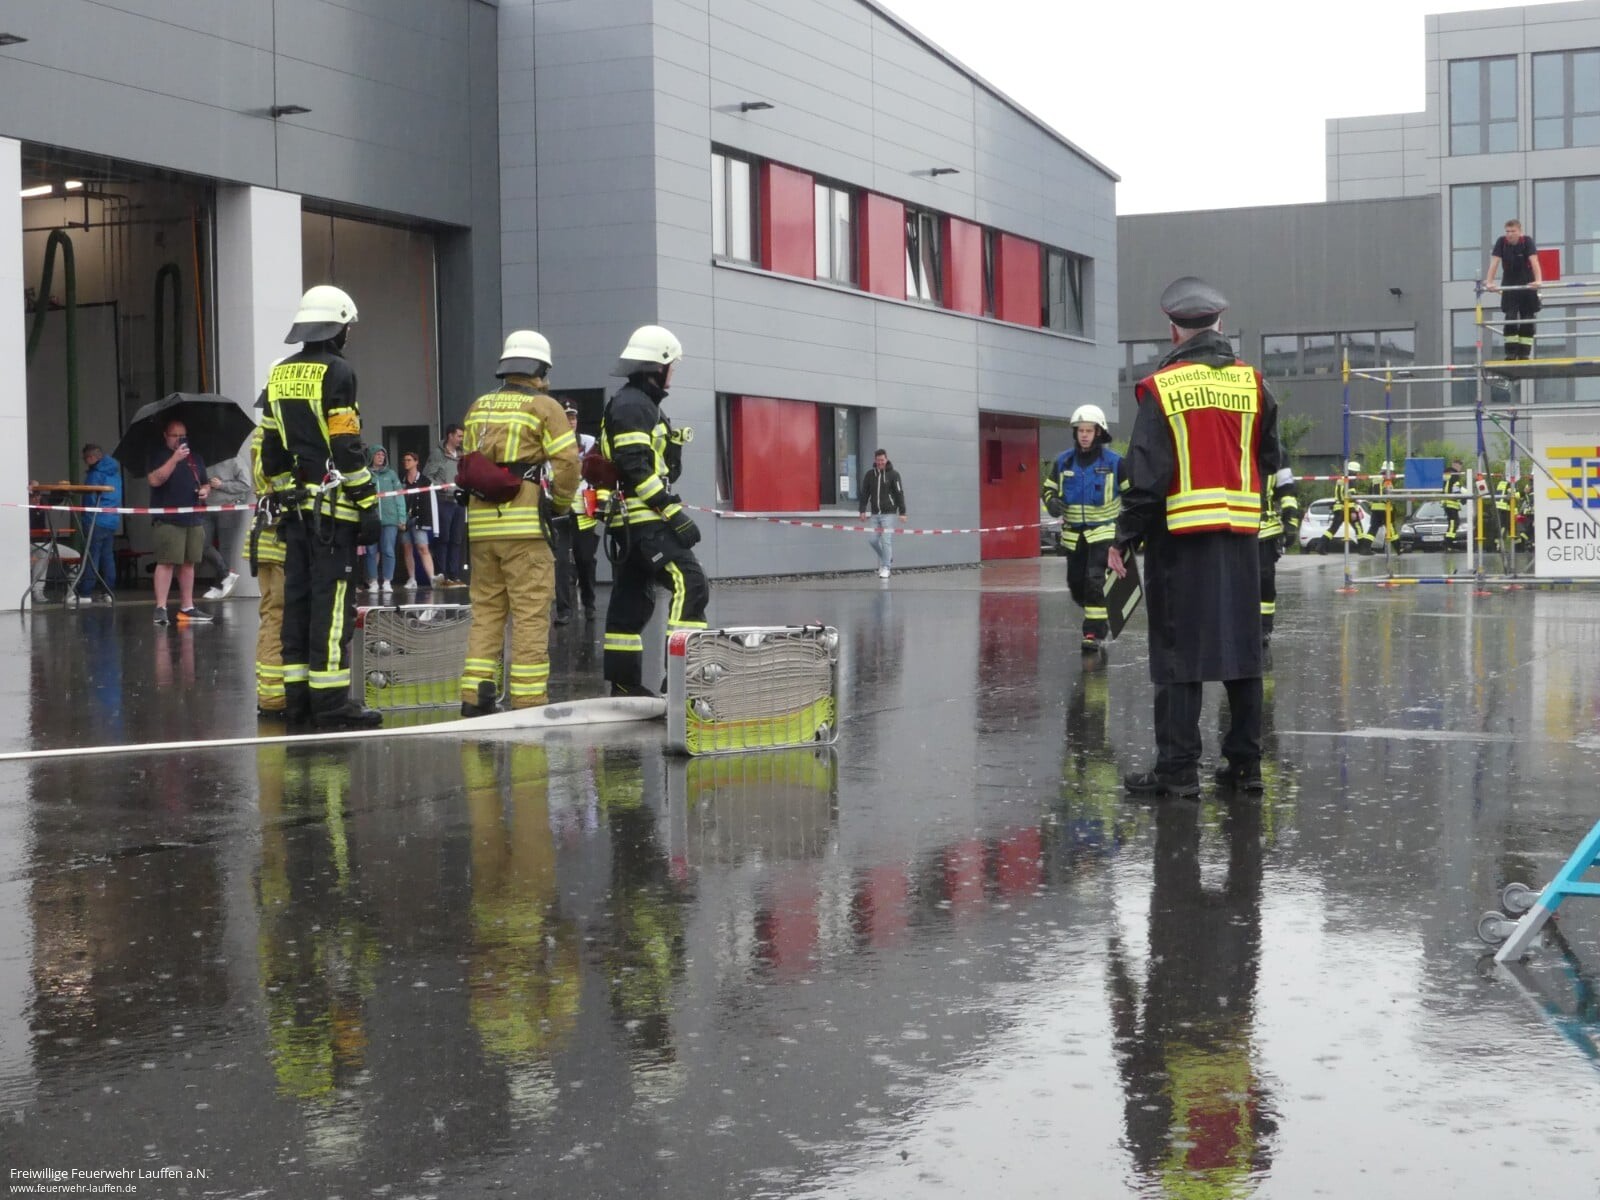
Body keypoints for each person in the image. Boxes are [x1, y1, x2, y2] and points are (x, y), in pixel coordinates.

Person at [1108, 276, 1284, 797]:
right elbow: (1271, 458)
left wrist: (1123, 537)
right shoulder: (1254, 384)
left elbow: (1146, 476)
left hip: (1180, 541)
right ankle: (1245, 768)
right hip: (1241, 540)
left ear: (1173, 330)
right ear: (1220, 324)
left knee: (1179, 655)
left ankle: (1178, 772)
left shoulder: (1161, 388)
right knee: (1243, 653)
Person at [259, 284, 382, 730]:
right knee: (331, 609)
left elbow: (271, 451)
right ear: (337, 327)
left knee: (298, 605)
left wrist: (289, 492)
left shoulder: (279, 374)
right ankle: (330, 704)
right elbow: (346, 445)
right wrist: (367, 502)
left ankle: (298, 700)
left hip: (295, 513)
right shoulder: (339, 372)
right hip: (333, 516)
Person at [457, 330, 579, 715]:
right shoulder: (545, 407)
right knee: (529, 613)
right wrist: (560, 504)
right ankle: (528, 700)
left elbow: (467, 463)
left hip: (481, 528)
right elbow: (568, 464)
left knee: (486, 612)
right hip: (525, 528)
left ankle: (476, 696)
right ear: (540, 368)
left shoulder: (479, 406)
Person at [599, 324, 709, 697]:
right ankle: (681, 681)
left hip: (631, 519)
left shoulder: (640, 404)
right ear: (657, 366)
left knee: (632, 599)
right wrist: (672, 513)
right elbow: (634, 466)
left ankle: (624, 685)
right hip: (644, 518)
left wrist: (673, 448)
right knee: (690, 582)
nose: (673, 372)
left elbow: (657, 467)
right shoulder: (634, 405)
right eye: (671, 365)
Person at [1042, 405, 1127, 650]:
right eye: (1080, 430)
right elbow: (1048, 489)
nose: (1084, 435)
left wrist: (1126, 533)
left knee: (1094, 580)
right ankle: (1098, 609)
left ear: (1099, 432)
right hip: (1073, 537)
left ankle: (1093, 633)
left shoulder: (1115, 463)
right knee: (1076, 584)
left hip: (1103, 534)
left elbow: (1132, 496)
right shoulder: (1063, 461)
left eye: (1089, 430)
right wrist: (1052, 503)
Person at [146, 419, 214, 626]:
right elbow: (155, 480)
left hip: (193, 517)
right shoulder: (158, 456)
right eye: (174, 435)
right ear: (165, 436)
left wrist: (205, 491)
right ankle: (161, 607)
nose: (179, 439)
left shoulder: (195, 458)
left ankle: (187, 607)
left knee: (189, 563)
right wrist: (174, 459)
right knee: (166, 562)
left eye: (182, 435)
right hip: (168, 519)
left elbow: (205, 482)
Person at [248, 413, 287, 716]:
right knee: (280, 615)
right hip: (281, 536)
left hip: (262, 534)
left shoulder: (259, 434)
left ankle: (267, 691)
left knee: (270, 614)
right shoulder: (282, 433)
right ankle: (275, 696)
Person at [552, 404, 599, 624]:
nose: (571, 422)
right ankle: (564, 611)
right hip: (558, 509)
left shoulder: (588, 442)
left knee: (585, 559)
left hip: (583, 509)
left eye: (573, 418)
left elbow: (599, 471)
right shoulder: (550, 444)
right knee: (560, 562)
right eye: (566, 418)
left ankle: (589, 604)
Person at [1484, 217, 1543, 360]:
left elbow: (1534, 261)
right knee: (1510, 317)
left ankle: (1524, 353)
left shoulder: (1527, 241)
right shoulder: (1501, 242)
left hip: (1527, 282)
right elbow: (1495, 262)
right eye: (1507, 231)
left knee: (1527, 317)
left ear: (1520, 232)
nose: (1509, 234)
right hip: (1509, 282)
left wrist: (1538, 280)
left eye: (1513, 231)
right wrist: (1489, 282)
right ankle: (1511, 352)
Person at [69, 443, 121, 605]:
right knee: (107, 557)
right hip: (111, 519)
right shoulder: (114, 472)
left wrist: (86, 517)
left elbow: (90, 498)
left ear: (92, 457)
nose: (85, 462)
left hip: (95, 520)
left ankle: (85, 592)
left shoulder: (95, 474)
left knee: (92, 556)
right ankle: (108, 592)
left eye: (85, 458)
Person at [200, 451, 251, 599]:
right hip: (208, 507)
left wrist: (222, 485)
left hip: (229, 506)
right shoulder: (202, 460)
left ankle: (220, 586)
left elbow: (245, 484)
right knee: (202, 544)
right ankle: (226, 575)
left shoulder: (234, 458)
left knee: (225, 547)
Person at [1257, 467, 1297, 647]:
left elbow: (1288, 492)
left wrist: (1291, 523)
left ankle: (1264, 627)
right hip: (1235, 528)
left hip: (1265, 529)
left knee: (1265, 580)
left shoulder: (1276, 456)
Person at [424, 423, 467, 585]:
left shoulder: (462, 454)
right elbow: (428, 476)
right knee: (444, 539)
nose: (461, 439)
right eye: (459, 436)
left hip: (459, 501)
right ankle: (442, 575)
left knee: (456, 540)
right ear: (450, 435)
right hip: (444, 500)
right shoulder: (438, 454)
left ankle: (454, 576)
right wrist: (440, 485)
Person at [858, 448, 906, 579]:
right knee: (872, 540)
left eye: (882, 460)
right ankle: (887, 558)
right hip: (875, 514)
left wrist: (902, 512)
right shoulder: (870, 475)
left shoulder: (894, 475)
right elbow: (864, 493)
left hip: (888, 513)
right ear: (875, 460)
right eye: (878, 460)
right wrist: (862, 510)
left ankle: (886, 567)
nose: (880, 462)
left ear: (886, 459)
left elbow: (899, 493)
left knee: (886, 540)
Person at [364, 445, 403, 595]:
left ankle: (387, 581)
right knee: (370, 551)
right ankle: (373, 581)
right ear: (371, 456)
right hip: (371, 519)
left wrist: (402, 517)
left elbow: (399, 496)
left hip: (390, 519)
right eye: (378, 454)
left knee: (388, 550)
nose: (381, 457)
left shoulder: (391, 474)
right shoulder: (366, 474)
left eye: (383, 455)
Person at [397, 450, 437, 589]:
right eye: (404, 460)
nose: (406, 463)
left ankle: (432, 578)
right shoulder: (401, 480)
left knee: (423, 547)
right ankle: (412, 578)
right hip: (404, 519)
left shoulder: (425, 481)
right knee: (407, 548)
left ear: (416, 462)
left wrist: (430, 522)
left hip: (419, 519)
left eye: (409, 460)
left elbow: (431, 503)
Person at [1317, 461, 1365, 555]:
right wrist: (1353, 511)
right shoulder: (1350, 480)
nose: (1357, 474)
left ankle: (1320, 546)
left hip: (1338, 507)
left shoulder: (1341, 479)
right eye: (1357, 472)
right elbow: (1350, 496)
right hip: (1347, 508)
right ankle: (1363, 549)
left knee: (1333, 529)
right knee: (1358, 528)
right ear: (1354, 472)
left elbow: (1341, 494)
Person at [1443, 458, 1466, 548]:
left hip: (1447, 502)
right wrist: (1463, 499)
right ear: (1456, 465)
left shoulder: (1447, 474)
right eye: (1460, 466)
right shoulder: (1455, 475)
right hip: (1451, 502)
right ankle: (1448, 543)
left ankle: (1448, 542)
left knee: (1453, 523)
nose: (1460, 469)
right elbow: (1456, 488)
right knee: (1453, 524)